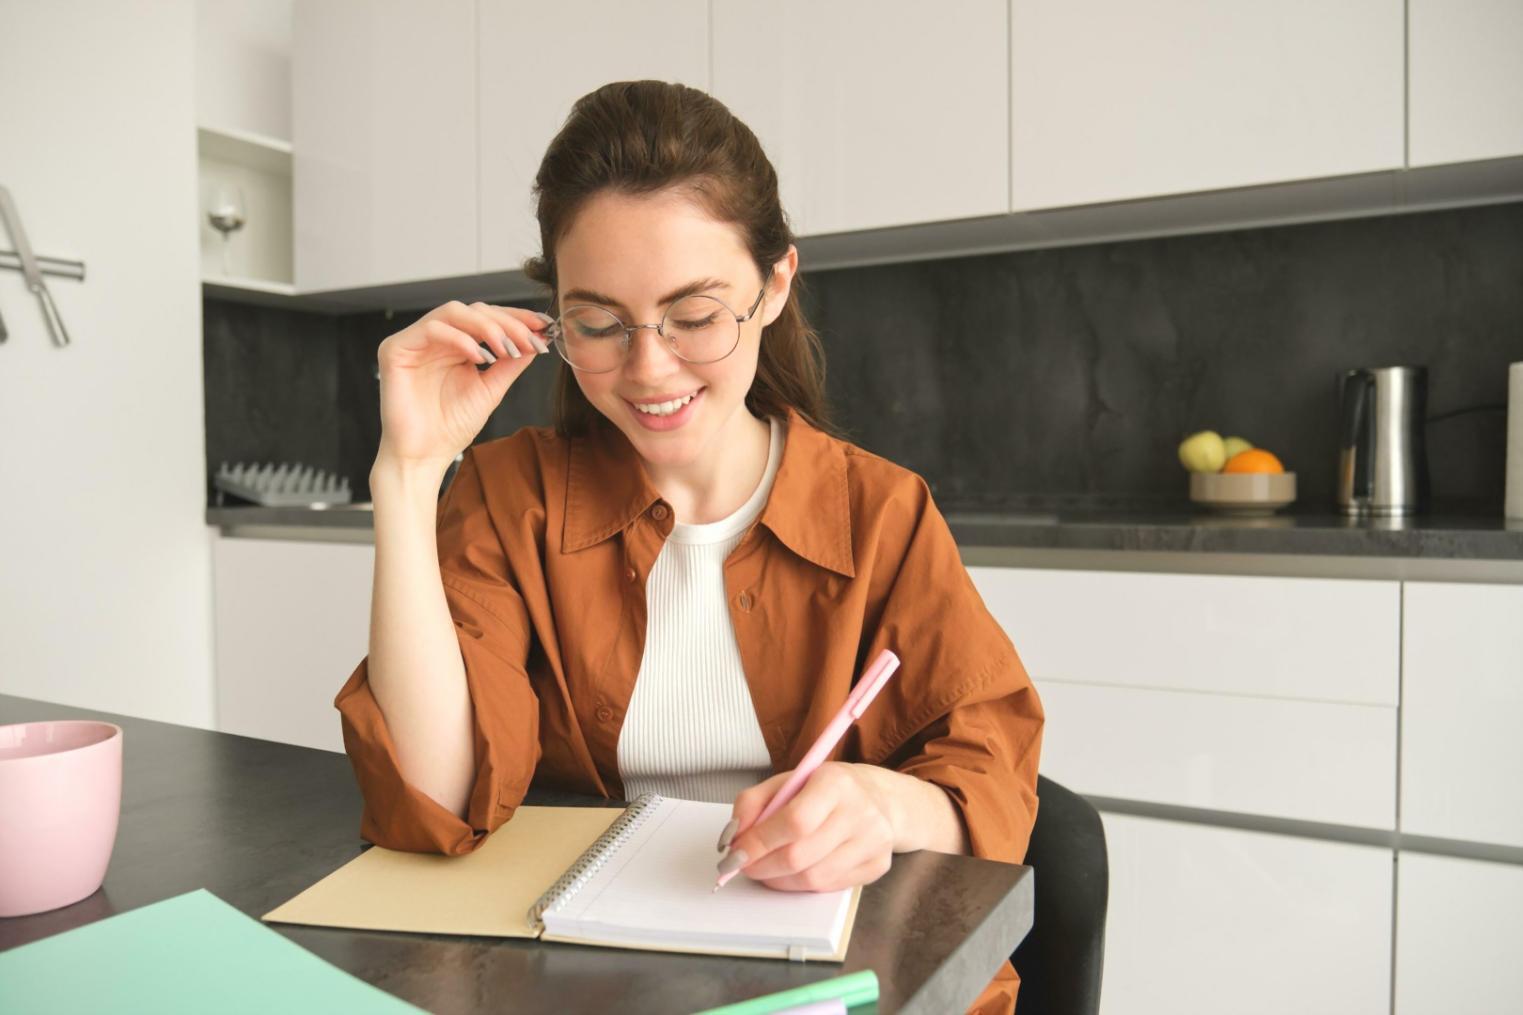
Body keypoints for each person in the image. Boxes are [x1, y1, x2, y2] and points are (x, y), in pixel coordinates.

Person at [335, 80, 1043, 1015]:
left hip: (838, 984)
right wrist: (409, 474)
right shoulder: (511, 495)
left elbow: (985, 761)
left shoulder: (878, 510)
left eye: (695, 316)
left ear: (775, 285)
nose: (648, 369)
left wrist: (883, 805)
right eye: (597, 324)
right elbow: (430, 799)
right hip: (584, 985)